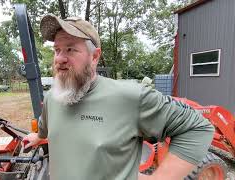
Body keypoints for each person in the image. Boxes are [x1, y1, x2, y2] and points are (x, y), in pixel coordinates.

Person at [23, 14, 215, 180]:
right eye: (57, 50)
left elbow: (197, 128)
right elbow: (47, 129)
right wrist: (38, 137)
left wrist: (160, 177)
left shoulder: (130, 97)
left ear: (95, 56)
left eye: (71, 49)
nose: (60, 58)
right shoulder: (53, 96)